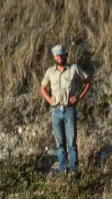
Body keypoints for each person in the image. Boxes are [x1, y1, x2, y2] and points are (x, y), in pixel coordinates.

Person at [40, 44, 91, 175]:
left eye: (61, 55)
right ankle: (63, 170)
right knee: (59, 143)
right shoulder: (50, 72)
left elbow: (88, 82)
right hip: (56, 111)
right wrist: (49, 99)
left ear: (65, 55)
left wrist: (79, 97)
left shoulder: (73, 69)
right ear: (54, 57)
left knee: (72, 143)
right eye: (57, 55)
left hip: (69, 110)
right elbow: (42, 88)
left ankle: (74, 170)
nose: (59, 57)